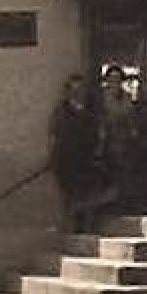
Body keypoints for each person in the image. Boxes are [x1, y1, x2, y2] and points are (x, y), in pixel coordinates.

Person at [49, 73, 102, 232]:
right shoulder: (62, 111)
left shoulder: (91, 111)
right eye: (74, 90)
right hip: (67, 159)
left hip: (86, 158)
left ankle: (85, 224)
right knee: (70, 194)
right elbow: (55, 133)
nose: (77, 93)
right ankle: (72, 225)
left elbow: (97, 131)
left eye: (80, 90)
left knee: (87, 193)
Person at [97, 64, 139, 211]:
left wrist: (133, 131)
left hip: (124, 142)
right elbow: (100, 119)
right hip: (107, 142)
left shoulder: (127, 97)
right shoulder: (102, 98)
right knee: (108, 174)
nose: (114, 82)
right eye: (111, 79)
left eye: (117, 79)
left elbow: (132, 119)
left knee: (124, 174)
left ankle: (122, 205)